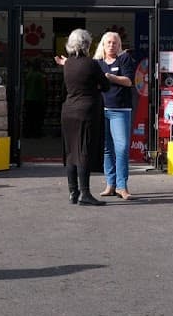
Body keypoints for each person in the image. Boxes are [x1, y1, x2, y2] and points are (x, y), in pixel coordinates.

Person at [58, 29, 111, 206]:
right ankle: (85, 193)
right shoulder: (91, 64)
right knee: (84, 151)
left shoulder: (68, 64)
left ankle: (73, 192)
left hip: (68, 110)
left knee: (71, 152)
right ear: (87, 44)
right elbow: (105, 86)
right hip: (86, 111)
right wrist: (95, 87)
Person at [94, 31, 136, 200]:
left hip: (120, 110)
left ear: (119, 45)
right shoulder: (97, 63)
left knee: (122, 148)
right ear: (103, 45)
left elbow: (129, 81)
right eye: (109, 42)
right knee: (106, 149)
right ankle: (110, 185)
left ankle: (122, 186)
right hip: (102, 110)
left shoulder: (124, 59)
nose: (112, 45)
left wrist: (111, 77)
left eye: (115, 43)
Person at [22, 58, 47, 138]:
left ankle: (28, 133)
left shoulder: (29, 75)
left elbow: (25, 87)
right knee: (37, 118)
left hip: (29, 99)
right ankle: (37, 133)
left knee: (29, 118)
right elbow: (43, 89)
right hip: (37, 99)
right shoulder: (40, 76)